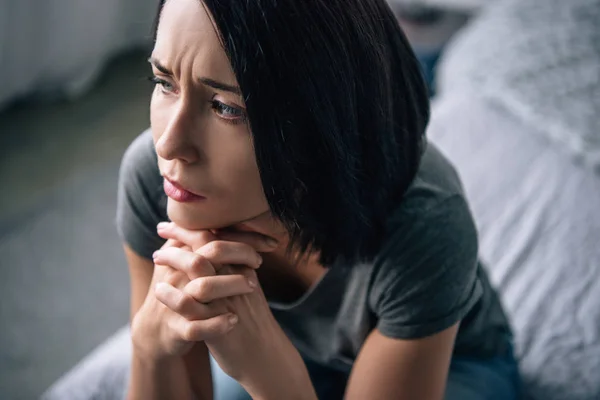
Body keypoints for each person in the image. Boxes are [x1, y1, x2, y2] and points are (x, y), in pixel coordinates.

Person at [43, 0, 520, 399]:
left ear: (319, 124)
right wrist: (147, 347)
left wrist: (277, 380)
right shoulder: (155, 177)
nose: (168, 144)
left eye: (226, 107)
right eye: (164, 82)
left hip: (452, 366)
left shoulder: (426, 223)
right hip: (292, 352)